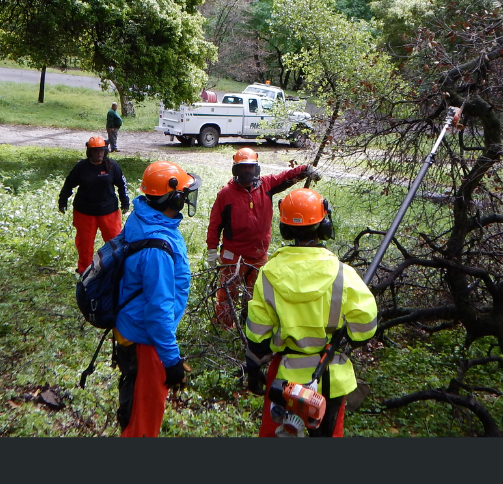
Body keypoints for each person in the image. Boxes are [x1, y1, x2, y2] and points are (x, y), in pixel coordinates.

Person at [244, 188, 377, 437]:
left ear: (285, 229)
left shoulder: (269, 274)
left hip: (286, 383)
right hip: (331, 382)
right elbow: (364, 330)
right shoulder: (343, 274)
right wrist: (345, 331)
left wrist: (253, 368)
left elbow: (258, 336)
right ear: (324, 226)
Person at [113, 161, 202, 437]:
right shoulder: (158, 250)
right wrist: (171, 361)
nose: (186, 199)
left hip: (132, 329)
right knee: (144, 420)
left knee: (135, 408)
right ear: (173, 198)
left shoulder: (143, 216)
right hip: (146, 340)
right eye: (183, 195)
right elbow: (158, 312)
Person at [205, 147, 319, 330]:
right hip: (232, 254)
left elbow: (286, 177)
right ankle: (223, 330)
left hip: (258, 254)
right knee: (227, 295)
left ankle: (249, 328)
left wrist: (305, 170)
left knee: (255, 297)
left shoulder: (267, 185)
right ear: (236, 169)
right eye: (243, 168)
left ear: (256, 168)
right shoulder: (225, 194)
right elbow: (215, 224)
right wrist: (212, 249)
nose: (247, 171)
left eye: (250, 167)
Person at [58, 136, 130, 273]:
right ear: (90, 152)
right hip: (84, 212)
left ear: (105, 151)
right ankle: (84, 270)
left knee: (115, 242)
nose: (99, 154)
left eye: (101, 151)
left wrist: (124, 202)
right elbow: (68, 184)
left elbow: (122, 185)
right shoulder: (81, 167)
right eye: (96, 151)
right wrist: (63, 200)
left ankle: (116, 268)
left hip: (109, 211)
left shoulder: (112, 166)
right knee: (84, 244)